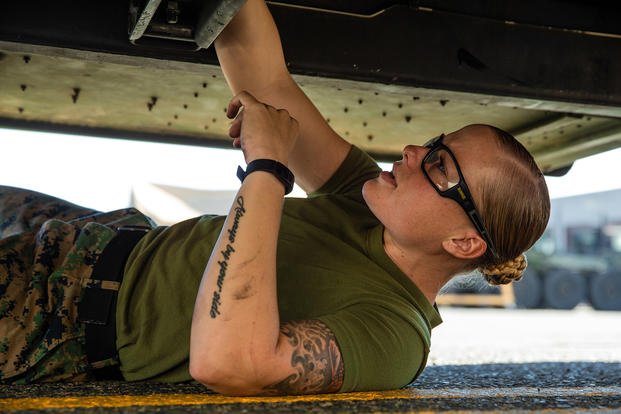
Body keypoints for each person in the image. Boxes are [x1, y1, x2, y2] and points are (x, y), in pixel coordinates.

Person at [0, 0, 550, 395]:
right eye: (432, 143)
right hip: (101, 238)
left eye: (440, 164)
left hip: (54, 319)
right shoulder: (366, 200)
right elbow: (268, 84)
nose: (411, 151)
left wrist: (266, 170)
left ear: (464, 240)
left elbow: (231, 363)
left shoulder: (394, 335)